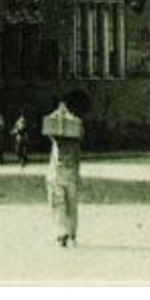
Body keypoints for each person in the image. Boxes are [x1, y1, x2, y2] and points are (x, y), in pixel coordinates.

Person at [43, 101, 84, 247]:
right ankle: (72, 234)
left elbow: (51, 126)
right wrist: (68, 114)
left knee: (57, 203)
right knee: (72, 205)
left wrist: (59, 112)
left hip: (56, 174)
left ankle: (61, 234)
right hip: (72, 173)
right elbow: (75, 125)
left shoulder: (56, 140)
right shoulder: (76, 138)